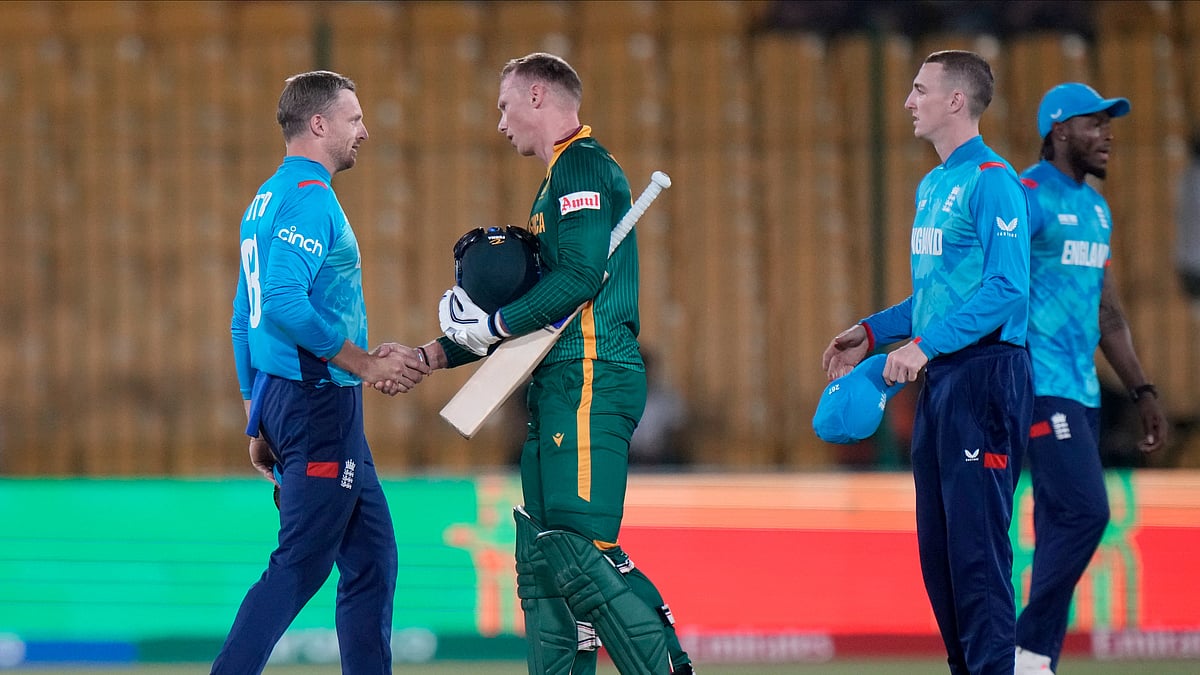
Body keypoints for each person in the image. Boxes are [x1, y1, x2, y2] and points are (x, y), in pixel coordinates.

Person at [410, 53, 694, 675]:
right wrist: (436, 353)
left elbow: (581, 277)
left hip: (591, 373)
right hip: (560, 381)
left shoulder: (583, 166)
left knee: (581, 551)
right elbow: (537, 304)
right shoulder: (555, 180)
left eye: (505, 105)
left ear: (538, 95)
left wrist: (494, 324)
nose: (501, 121)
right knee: (545, 563)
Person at [821, 50, 1032, 675]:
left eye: (919, 90)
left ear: (955, 102)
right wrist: (872, 331)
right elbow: (937, 298)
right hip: (943, 379)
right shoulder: (934, 184)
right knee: (939, 554)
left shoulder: (994, 180)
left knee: (978, 550)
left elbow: (1006, 289)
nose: (909, 101)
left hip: (987, 376)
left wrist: (923, 348)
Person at [218, 70, 430, 674]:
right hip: (318, 405)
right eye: (355, 118)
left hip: (300, 401)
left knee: (372, 559)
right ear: (320, 124)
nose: (364, 130)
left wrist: (253, 414)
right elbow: (282, 302)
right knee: (302, 563)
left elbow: (244, 316)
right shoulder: (312, 199)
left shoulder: (265, 199)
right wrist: (363, 363)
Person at [1014, 82, 1167, 675]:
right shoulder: (1028, 196)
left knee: (1059, 522)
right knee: (1087, 512)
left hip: (1080, 391)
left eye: (1109, 126)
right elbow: (993, 281)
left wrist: (1143, 389)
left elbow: (1107, 313)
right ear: (1058, 131)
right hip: (1037, 380)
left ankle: (1034, 662)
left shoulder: (1098, 210)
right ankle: (1023, 646)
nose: (1106, 137)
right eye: (1093, 125)